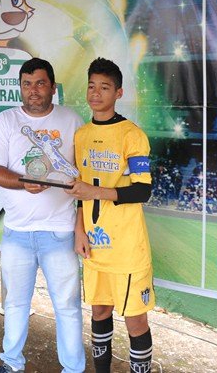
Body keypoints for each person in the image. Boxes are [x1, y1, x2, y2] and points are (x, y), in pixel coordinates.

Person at [0, 57, 85, 373]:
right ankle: (12, 363)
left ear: (53, 87)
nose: (33, 90)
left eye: (40, 83)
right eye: (27, 84)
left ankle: (73, 369)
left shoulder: (72, 120)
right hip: (17, 232)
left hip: (60, 230)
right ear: (20, 87)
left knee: (68, 307)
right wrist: (24, 182)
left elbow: (84, 177)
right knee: (15, 304)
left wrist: (80, 226)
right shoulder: (6, 121)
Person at [66, 58, 154, 373]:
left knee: (135, 321)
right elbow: (80, 191)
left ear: (118, 93)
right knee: (100, 312)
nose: (96, 93)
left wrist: (96, 191)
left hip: (127, 249)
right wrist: (79, 230)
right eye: (92, 86)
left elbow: (143, 190)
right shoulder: (81, 135)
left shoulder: (132, 135)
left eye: (104, 87)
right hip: (95, 244)